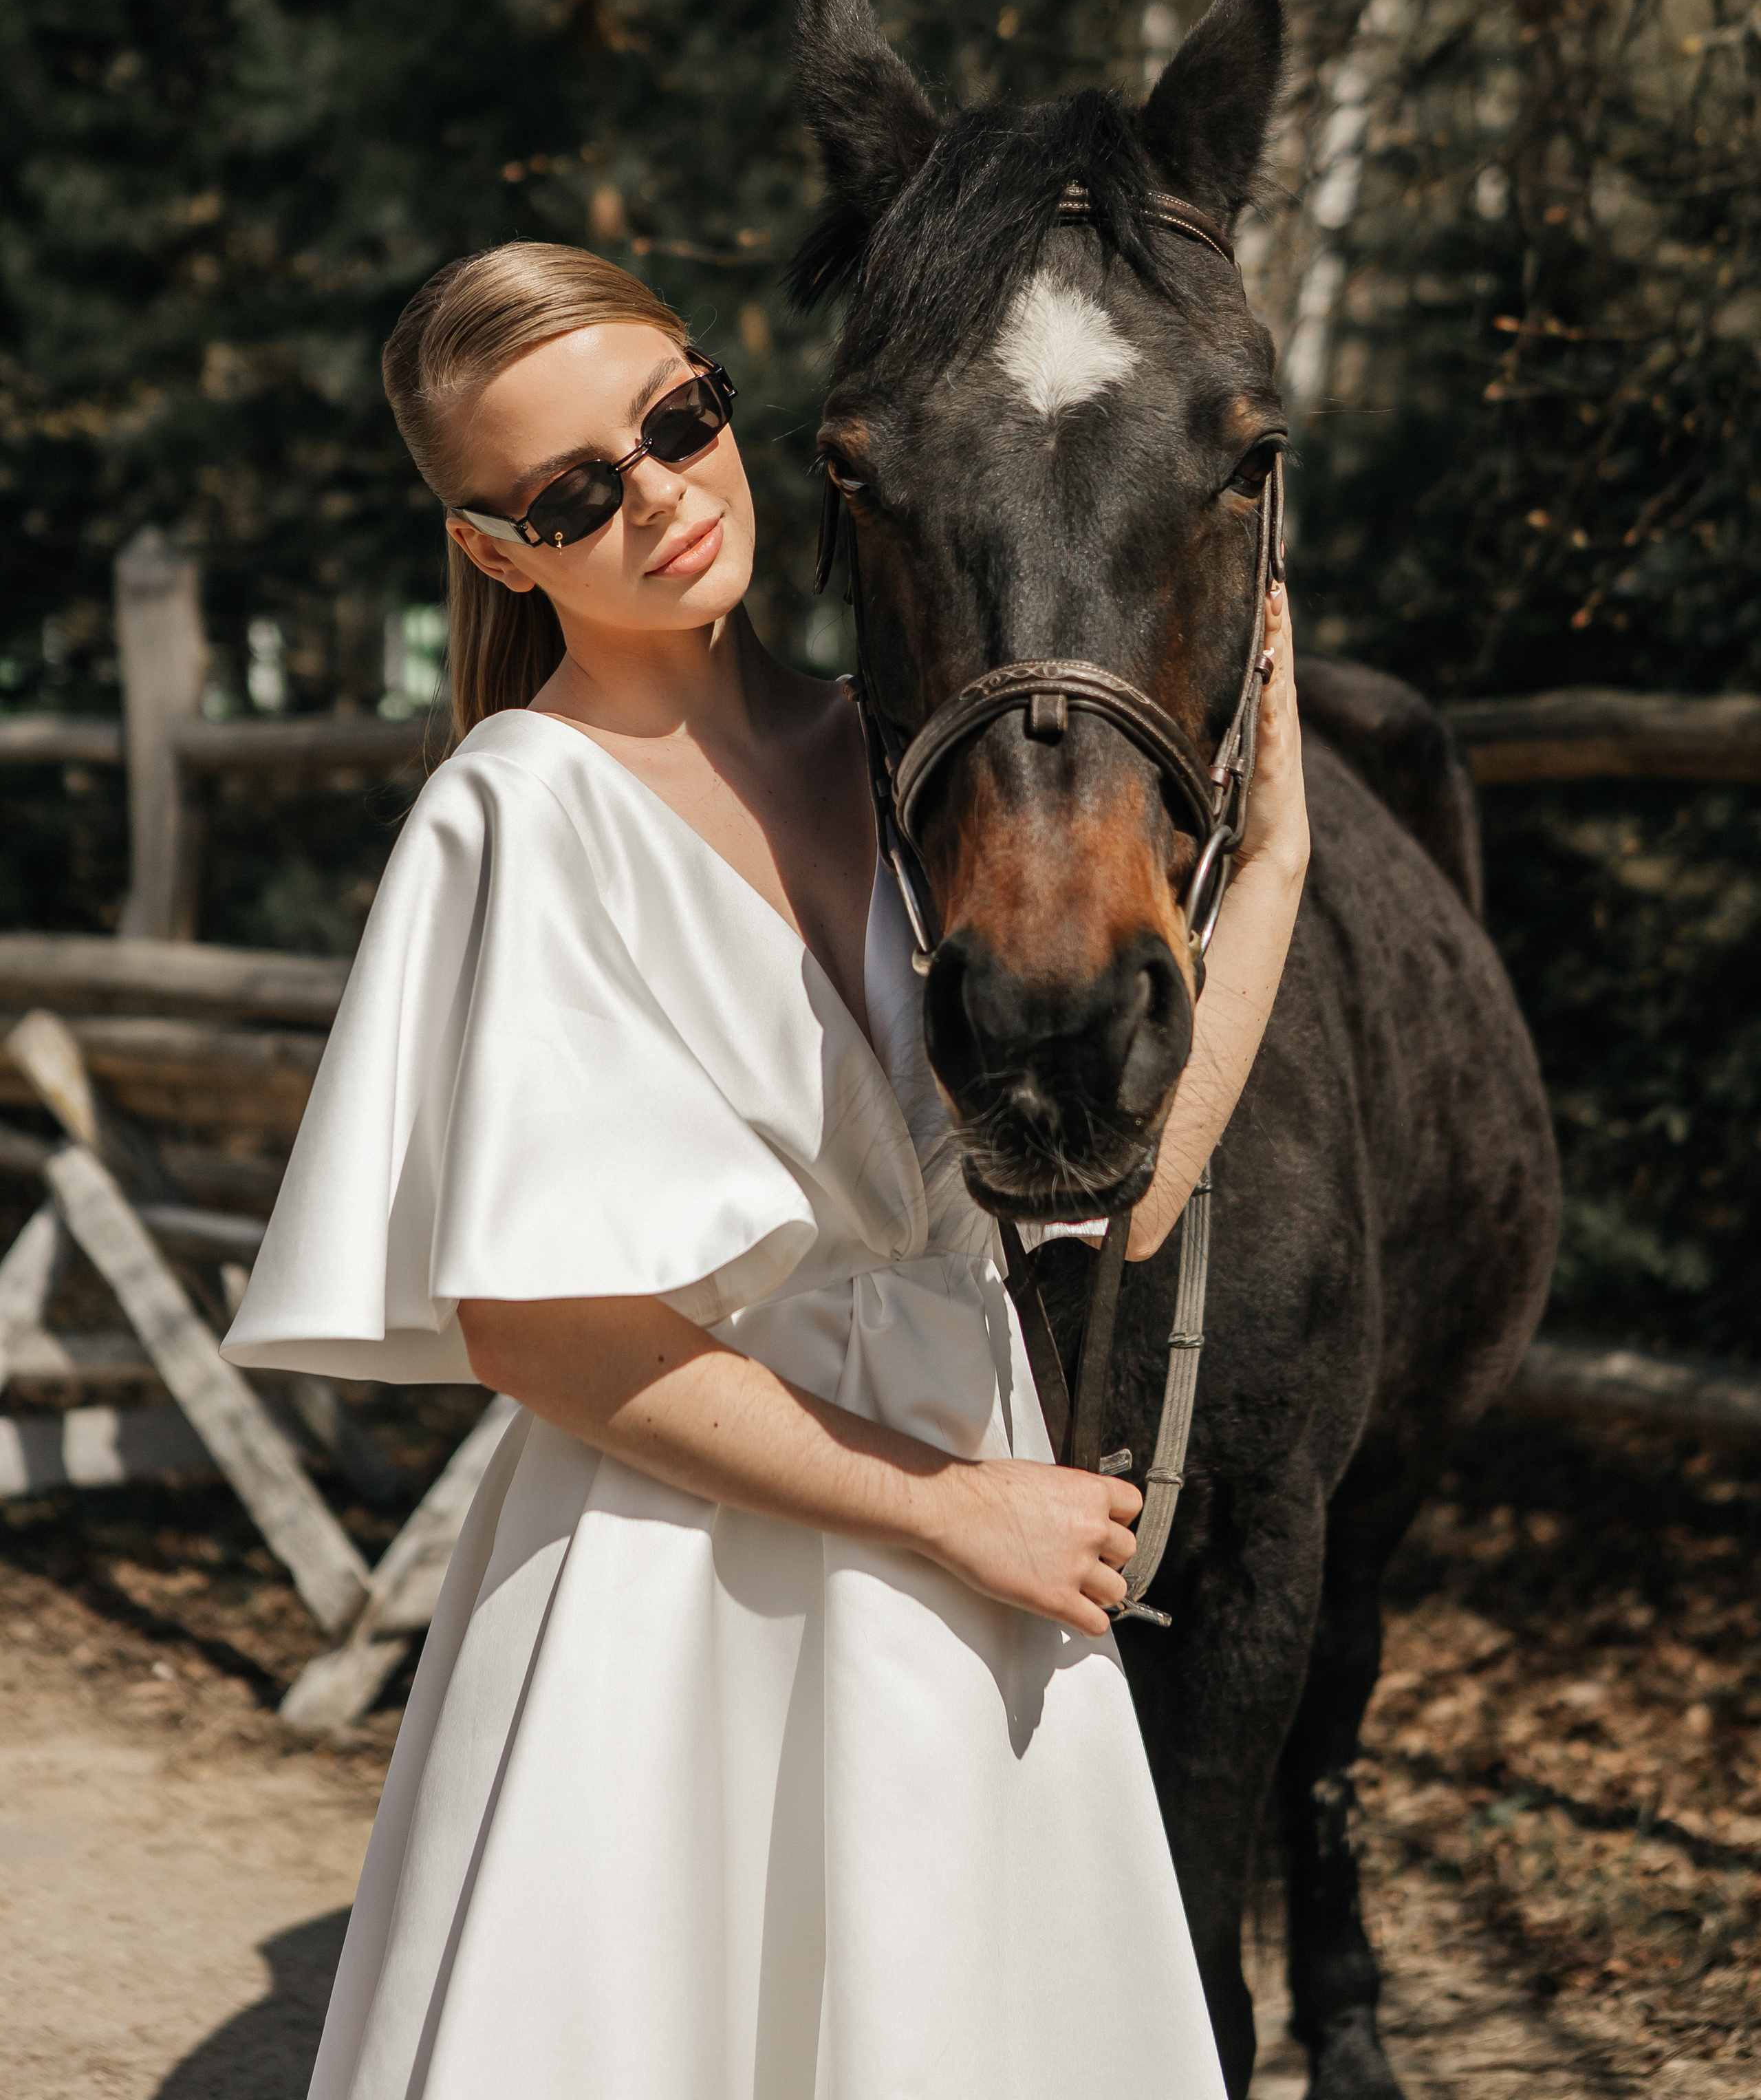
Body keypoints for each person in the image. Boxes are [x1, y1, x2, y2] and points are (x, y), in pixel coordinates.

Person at [224, 240, 1310, 2100]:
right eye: (576, 492)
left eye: (678, 421)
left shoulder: (897, 757)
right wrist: (953, 1514)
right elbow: (543, 1334)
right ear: (497, 551)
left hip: (975, 1542)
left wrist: (1273, 867)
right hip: (675, 1596)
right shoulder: (520, 810)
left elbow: (1098, 1192)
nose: (656, 495)